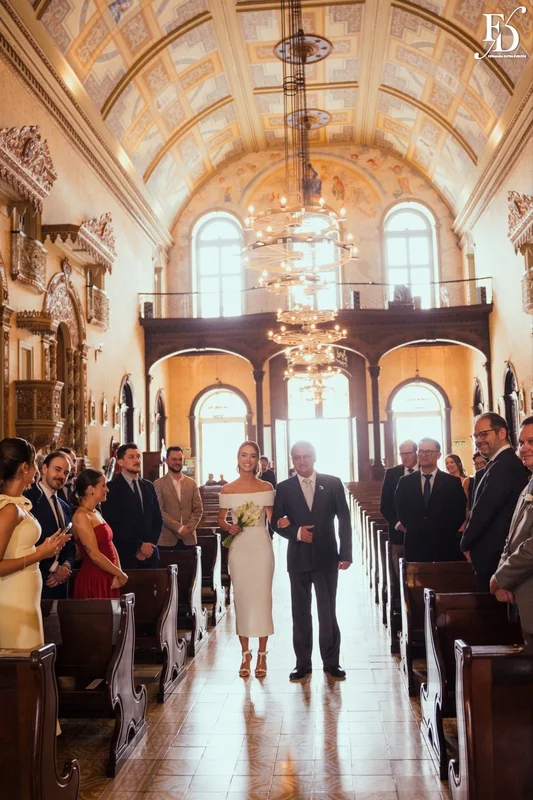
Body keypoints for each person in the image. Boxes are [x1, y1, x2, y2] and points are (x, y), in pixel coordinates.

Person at [272, 440, 352, 682]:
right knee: (300, 613)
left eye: (306, 456)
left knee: (327, 612)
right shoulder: (284, 488)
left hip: (327, 557)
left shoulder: (332, 482)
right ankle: (302, 663)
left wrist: (346, 554)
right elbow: (275, 520)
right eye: (297, 457)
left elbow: (345, 520)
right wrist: (296, 532)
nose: (302, 461)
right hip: (297, 558)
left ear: (314, 457)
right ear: (292, 460)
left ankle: (331, 662)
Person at [0, 437, 71, 649]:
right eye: (33, 463)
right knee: (22, 666)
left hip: (25, 596)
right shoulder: (10, 508)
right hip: (14, 598)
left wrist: (46, 549)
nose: (35, 469)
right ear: (24, 467)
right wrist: (40, 554)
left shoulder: (18, 504)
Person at [217, 441, 275, 679]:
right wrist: (229, 527)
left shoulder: (266, 486)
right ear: (238, 458)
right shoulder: (227, 489)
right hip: (239, 548)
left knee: (262, 598)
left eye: (252, 456)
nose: (248, 460)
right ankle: (245, 653)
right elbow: (221, 519)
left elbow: (273, 518)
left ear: (258, 460)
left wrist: (285, 523)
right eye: (244, 455)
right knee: (242, 600)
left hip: (261, 546)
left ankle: (262, 653)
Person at [461, 413, 528, 591]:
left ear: (501, 433)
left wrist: (466, 542)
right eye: (476, 436)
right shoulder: (496, 463)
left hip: (496, 555)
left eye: (484, 434)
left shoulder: (505, 464)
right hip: (492, 554)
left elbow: (486, 509)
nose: (479, 440)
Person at [491, 417, 533, 645]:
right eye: (522, 442)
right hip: (523, 598)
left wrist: (500, 577)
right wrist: (502, 573)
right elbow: (512, 536)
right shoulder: (529, 485)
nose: (524, 448)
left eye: (531, 442)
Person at [395, 438, 466, 562]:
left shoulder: (452, 482)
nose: (423, 455)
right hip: (415, 543)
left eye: (428, 452)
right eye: (421, 451)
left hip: (444, 544)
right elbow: (401, 510)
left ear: (438, 455)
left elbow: (459, 513)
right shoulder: (405, 482)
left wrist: (443, 531)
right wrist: (416, 528)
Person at [101, 442, 163, 569]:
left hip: (150, 554)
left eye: (138, 456)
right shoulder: (111, 488)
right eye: (131, 457)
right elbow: (113, 524)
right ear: (120, 462)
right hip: (126, 555)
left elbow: (158, 519)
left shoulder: (148, 486)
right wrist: (139, 546)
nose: (137, 460)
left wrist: (150, 545)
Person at [24, 450, 76, 598]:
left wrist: (66, 566)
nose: (61, 476)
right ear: (44, 468)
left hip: (61, 582)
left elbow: (70, 542)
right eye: (57, 470)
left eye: (66, 473)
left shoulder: (65, 506)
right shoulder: (28, 500)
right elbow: (26, 543)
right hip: (39, 578)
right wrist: (54, 569)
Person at [72, 469, 128, 599]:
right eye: (103, 485)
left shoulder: (95, 512)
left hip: (109, 574)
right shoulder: (81, 516)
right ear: (90, 489)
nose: (107, 489)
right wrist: (119, 574)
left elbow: (111, 544)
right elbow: (95, 555)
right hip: (94, 578)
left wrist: (118, 572)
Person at [154, 446, 203, 550]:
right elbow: (159, 511)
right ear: (167, 460)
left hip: (189, 539)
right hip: (167, 540)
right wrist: (178, 528)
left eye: (180, 459)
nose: (177, 462)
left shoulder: (192, 483)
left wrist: (187, 529)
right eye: (174, 459)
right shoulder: (158, 484)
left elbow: (198, 509)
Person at [380, 440, 418, 544]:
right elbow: (385, 505)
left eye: (408, 453)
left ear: (416, 453)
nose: (404, 457)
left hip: (424, 532)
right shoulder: (392, 473)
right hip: (398, 534)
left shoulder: (425, 471)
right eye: (402, 454)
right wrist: (398, 525)